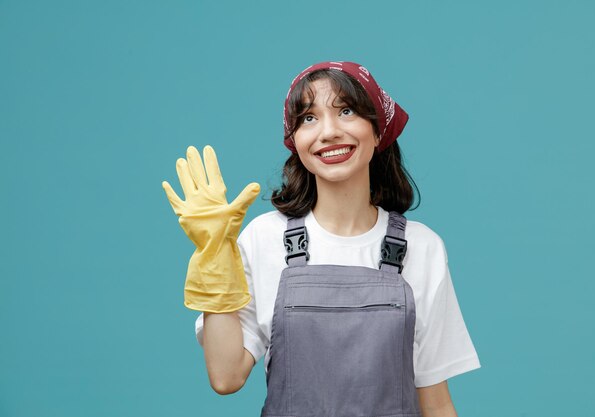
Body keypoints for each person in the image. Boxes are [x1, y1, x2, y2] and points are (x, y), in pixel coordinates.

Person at [162, 61, 480, 417]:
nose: (328, 132)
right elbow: (226, 376)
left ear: (378, 132)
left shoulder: (422, 248)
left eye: (346, 111)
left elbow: (436, 403)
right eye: (308, 118)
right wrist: (214, 256)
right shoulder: (265, 237)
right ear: (295, 141)